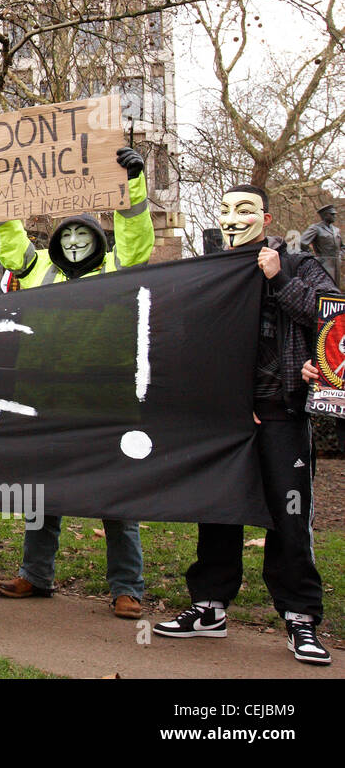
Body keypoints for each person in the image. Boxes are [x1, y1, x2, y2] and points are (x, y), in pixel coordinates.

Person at [154, 184, 334, 666]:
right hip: (227, 416)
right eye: (226, 210)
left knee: (288, 516)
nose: (234, 218)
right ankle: (209, 607)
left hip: (283, 414)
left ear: (268, 219)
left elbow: (332, 321)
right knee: (218, 507)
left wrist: (279, 281)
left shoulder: (297, 264)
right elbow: (192, 339)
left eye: (246, 210)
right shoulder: (210, 269)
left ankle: (300, 619)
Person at [0, 147, 153, 618]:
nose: (74, 240)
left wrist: (133, 182)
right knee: (41, 494)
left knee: (116, 498)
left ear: (96, 239)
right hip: (46, 403)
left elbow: (135, 237)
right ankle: (35, 575)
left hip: (105, 404)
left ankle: (126, 587)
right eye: (67, 234)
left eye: (82, 233)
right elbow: (11, 245)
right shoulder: (40, 273)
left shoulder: (117, 269)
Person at [300, 203, 341, 288]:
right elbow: (302, 242)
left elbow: (342, 246)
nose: (334, 216)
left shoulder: (336, 230)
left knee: (336, 291)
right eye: (332, 214)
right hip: (323, 265)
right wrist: (312, 257)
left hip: (336, 265)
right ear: (325, 215)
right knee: (325, 289)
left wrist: (340, 255)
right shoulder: (316, 228)